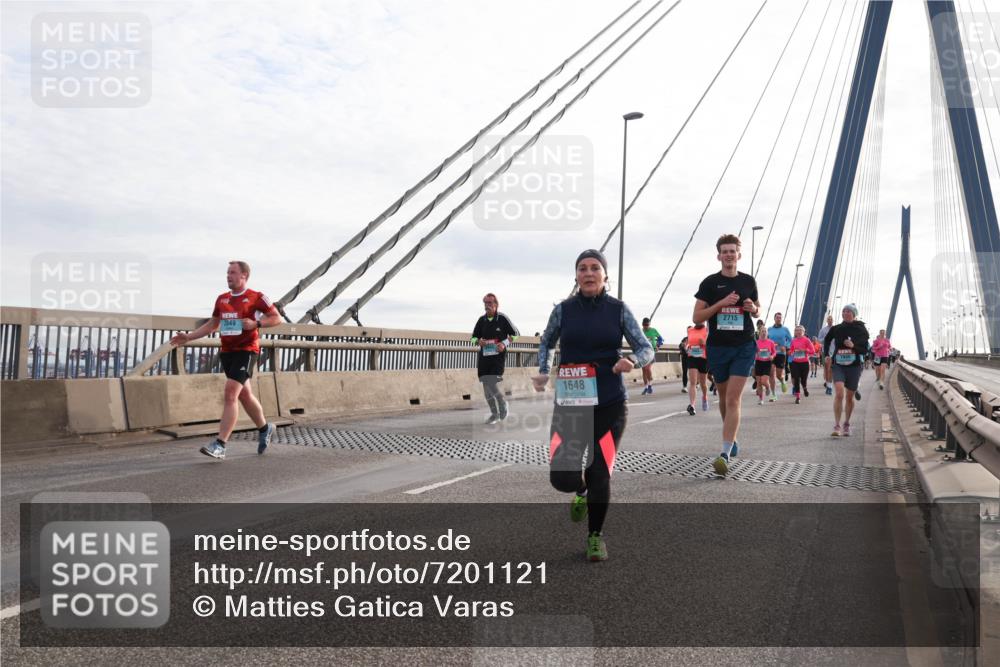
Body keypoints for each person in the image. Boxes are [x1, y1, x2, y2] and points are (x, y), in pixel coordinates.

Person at [533, 249, 654, 562]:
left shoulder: (618, 310)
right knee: (561, 478)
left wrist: (632, 360)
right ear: (576, 276)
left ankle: (595, 536)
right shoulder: (563, 310)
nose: (588, 273)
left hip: (611, 405)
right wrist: (544, 371)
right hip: (570, 405)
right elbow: (547, 342)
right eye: (583, 268)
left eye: (595, 268)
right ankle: (581, 491)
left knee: (600, 471)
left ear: (604, 275)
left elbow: (646, 348)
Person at [170, 261, 281, 460]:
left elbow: (276, 318)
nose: (228, 276)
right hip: (227, 352)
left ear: (244, 275)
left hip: (247, 351)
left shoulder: (256, 297)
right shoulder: (222, 299)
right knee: (244, 395)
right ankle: (265, 428)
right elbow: (212, 324)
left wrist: (256, 323)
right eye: (227, 273)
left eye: (233, 272)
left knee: (231, 393)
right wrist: (189, 337)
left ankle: (220, 445)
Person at [693, 234, 760, 476]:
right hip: (718, 347)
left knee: (733, 399)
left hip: (744, 345)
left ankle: (724, 452)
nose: (729, 255)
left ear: (738, 255)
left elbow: (757, 309)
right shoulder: (710, 283)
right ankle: (731, 438)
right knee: (723, 397)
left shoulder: (748, 281)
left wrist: (754, 309)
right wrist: (720, 304)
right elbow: (697, 317)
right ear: (719, 256)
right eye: (725, 251)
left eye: (733, 251)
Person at [471, 293, 520, 424]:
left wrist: (504, 344)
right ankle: (494, 414)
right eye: (485, 303)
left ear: (496, 304)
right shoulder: (481, 320)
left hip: (498, 358)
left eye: (490, 303)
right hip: (484, 358)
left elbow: (516, 334)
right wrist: (478, 341)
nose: (487, 305)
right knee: (486, 387)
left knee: (491, 381)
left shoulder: (502, 318)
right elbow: (473, 337)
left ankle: (502, 402)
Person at [823, 304, 870, 437]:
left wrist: (853, 346)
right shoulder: (837, 328)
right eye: (843, 311)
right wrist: (827, 354)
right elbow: (827, 340)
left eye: (848, 311)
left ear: (854, 314)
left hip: (854, 366)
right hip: (838, 364)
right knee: (839, 393)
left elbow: (865, 350)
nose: (845, 313)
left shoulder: (861, 329)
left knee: (849, 397)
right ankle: (837, 425)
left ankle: (847, 424)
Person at [685, 322, 710, 414]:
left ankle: (705, 397)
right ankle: (692, 405)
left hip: (703, 358)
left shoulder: (707, 330)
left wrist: (705, 343)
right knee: (693, 382)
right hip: (692, 357)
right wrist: (687, 347)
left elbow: (712, 345)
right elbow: (688, 343)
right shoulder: (690, 330)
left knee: (703, 383)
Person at [767, 313, 792, 395]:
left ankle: (782, 381)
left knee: (778, 375)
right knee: (771, 373)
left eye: (780, 318)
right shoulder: (769, 329)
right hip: (771, 354)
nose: (779, 319)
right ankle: (773, 394)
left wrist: (785, 346)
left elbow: (790, 340)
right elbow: (766, 340)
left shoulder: (785, 329)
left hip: (781, 354)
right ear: (774, 318)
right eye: (777, 317)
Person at [789, 325, 813, 404]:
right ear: (795, 332)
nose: (799, 332)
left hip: (804, 363)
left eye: (800, 330)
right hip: (795, 362)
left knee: (803, 380)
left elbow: (812, 351)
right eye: (797, 330)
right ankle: (798, 397)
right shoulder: (793, 341)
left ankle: (805, 388)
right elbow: (791, 350)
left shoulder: (807, 340)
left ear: (803, 332)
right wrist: (791, 352)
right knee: (796, 379)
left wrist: (805, 350)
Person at [754, 328, 777, 405]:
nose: (764, 333)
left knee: (764, 381)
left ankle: (767, 387)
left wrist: (772, 356)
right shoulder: (756, 342)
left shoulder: (771, 342)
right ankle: (761, 399)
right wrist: (755, 354)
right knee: (759, 382)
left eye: (765, 332)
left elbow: (774, 352)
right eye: (762, 331)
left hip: (767, 363)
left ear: (767, 333)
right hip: (758, 362)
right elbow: (753, 352)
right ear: (759, 333)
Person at [640, 317, 663, 395]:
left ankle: (650, 384)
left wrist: (658, 346)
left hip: (651, 352)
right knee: (644, 370)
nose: (646, 326)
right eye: (644, 325)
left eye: (647, 325)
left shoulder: (653, 330)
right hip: (643, 352)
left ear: (649, 324)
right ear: (642, 325)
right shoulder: (640, 332)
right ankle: (646, 387)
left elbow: (661, 339)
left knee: (647, 368)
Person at [818, 314, 835, 395]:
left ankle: (829, 383)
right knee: (828, 368)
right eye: (829, 319)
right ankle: (829, 386)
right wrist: (825, 339)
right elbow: (819, 340)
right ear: (827, 320)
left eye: (831, 319)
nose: (830, 320)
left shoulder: (836, 329)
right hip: (826, 351)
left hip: (835, 351)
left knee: (832, 369)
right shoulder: (823, 330)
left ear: (833, 320)